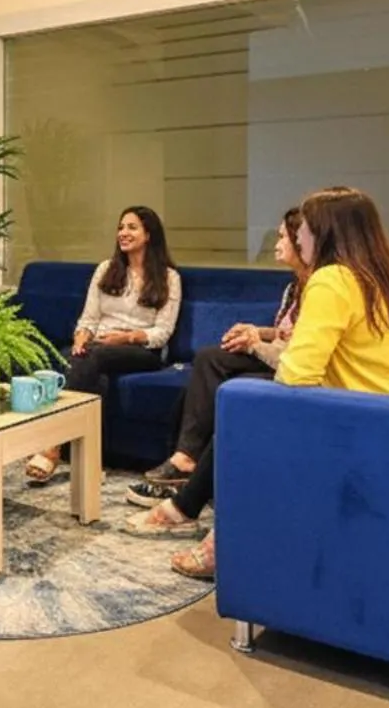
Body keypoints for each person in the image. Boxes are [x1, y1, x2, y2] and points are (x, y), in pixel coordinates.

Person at [124, 186, 389, 580]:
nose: (297, 237)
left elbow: (297, 374)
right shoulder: (388, 280)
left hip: (377, 427)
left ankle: (220, 539)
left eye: (305, 229)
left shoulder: (332, 280)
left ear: (325, 233)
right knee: (247, 403)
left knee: (245, 416)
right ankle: (191, 511)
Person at [129, 207, 312, 501]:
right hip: (277, 357)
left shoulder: (320, 289)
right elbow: (284, 333)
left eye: (283, 237)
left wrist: (254, 343)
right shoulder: (294, 287)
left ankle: (184, 464)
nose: (276, 243)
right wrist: (256, 330)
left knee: (212, 365)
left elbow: (296, 352)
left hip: (291, 371)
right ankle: (182, 468)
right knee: (203, 374)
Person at [25, 207, 182, 485]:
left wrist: (127, 337)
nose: (123, 233)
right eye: (121, 227)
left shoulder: (169, 278)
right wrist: (81, 337)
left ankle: (52, 447)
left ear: (149, 234)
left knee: (89, 358)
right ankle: (92, 462)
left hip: (143, 350)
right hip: (100, 347)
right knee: (77, 360)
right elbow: (89, 318)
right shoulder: (105, 270)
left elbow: (162, 333)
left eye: (132, 227)